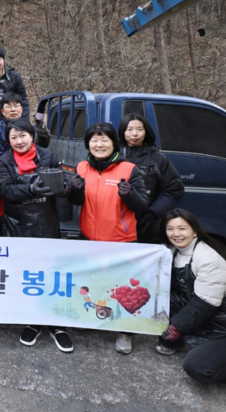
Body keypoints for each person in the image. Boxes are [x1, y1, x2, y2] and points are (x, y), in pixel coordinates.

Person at [158, 209, 226, 394]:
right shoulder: (174, 252)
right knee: (161, 298)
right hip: (204, 317)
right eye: (170, 228)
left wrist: (176, 326)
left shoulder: (208, 259)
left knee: (197, 368)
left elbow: (204, 304)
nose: (175, 234)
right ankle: (178, 342)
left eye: (182, 228)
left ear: (194, 231)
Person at [68, 122, 148, 355]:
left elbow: (143, 205)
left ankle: (125, 331)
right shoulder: (82, 167)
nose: (99, 144)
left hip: (120, 241)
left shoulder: (129, 169)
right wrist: (75, 190)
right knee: (91, 284)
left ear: (114, 143)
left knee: (124, 289)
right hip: (89, 238)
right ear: (88, 144)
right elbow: (76, 202)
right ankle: (89, 318)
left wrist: (130, 194)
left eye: (104, 139)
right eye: (94, 140)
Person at [0, 118, 73, 352]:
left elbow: (60, 180)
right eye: (13, 137)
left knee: (51, 272)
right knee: (27, 274)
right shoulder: (4, 161)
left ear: (31, 135)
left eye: (23, 135)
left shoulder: (47, 156)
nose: (19, 141)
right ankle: (32, 321)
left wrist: (66, 186)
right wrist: (29, 189)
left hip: (46, 223)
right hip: (18, 224)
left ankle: (56, 324)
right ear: (8, 140)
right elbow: (5, 190)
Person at [118, 113, 185, 243]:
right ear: (122, 132)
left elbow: (174, 189)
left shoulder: (158, 159)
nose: (135, 134)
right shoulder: (114, 157)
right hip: (117, 222)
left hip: (147, 225)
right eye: (129, 129)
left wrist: (153, 213)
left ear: (146, 132)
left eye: (139, 129)